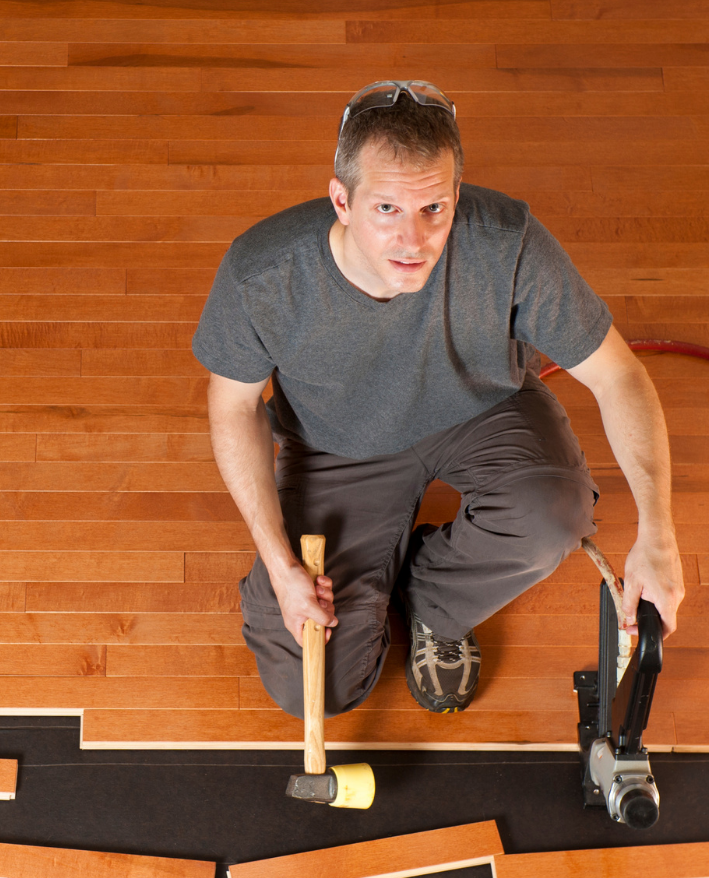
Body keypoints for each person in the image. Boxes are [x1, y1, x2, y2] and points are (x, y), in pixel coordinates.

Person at [192, 80, 684, 718]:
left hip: (481, 409)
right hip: (341, 445)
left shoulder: (506, 241)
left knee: (554, 514)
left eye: (434, 209)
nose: (414, 241)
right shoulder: (263, 274)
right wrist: (281, 564)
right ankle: (365, 572)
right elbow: (232, 409)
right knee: (311, 686)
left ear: (456, 196)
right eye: (387, 209)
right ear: (341, 199)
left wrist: (659, 532)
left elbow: (619, 375)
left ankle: (433, 597)